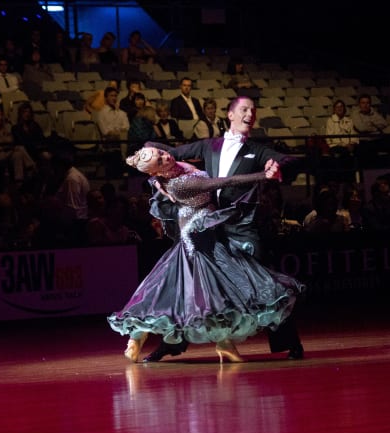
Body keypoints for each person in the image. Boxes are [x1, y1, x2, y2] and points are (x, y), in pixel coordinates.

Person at [142, 96, 305, 362]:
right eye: (244, 109)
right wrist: (154, 175)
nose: (250, 114)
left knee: (265, 285)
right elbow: (155, 149)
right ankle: (173, 343)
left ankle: (288, 342)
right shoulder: (209, 145)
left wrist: (276, 166)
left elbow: (288, 159)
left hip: (240, 228)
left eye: (253, 110)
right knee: (187, 286)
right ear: (230, 115)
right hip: (206, 229)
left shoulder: (257, 150)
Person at [107, 146, 304, 363]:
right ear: (157, 172)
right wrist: (263, 176)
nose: (166, 156)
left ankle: (141, 340)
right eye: (160, 161)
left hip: (204, 230)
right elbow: (225, 182)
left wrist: (154, 177)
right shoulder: (182, 184)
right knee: (198, 295)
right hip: (198, 238)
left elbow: (150, 145)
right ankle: (216, 343)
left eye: (161, 153)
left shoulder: (172, 169)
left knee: (173, 292)